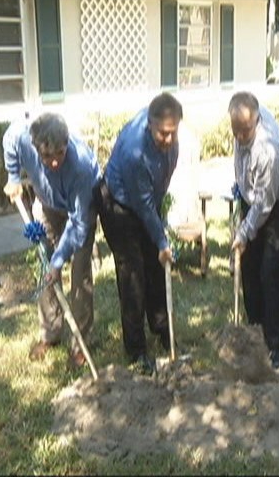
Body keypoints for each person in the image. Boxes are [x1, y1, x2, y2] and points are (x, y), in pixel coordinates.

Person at [3, 112, 100, 369]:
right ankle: (50, 333)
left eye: (60, 153)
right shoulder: (22, 137)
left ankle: (80, 344)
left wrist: (60, 260)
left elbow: (78, 224)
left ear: (67, 143)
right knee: (46, 271)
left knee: (79, 273)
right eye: (47, 156)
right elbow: (8, 140)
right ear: (35, 147)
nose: (54, 162)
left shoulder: (80, 167)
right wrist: (13, 177)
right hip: (46, 205)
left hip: (79, 210)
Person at [96, 92, 183, 374]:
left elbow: (161, 186)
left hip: (146, 201)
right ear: (149, 124)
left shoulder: (170, 140)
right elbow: (142, 204)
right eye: (163, 134)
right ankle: (136, 350)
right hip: (118, 206)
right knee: (133, 275)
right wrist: (161, 239)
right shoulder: (135, 152)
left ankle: (162, 328)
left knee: (157, 268)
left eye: (173, 133)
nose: (168, 140)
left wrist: (159, 237)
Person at [229, 91, 279, 370]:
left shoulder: (268, 150)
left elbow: (264, 203)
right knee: (248, 265)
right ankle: (254, 333)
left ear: (257, 122)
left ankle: (274, 345)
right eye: (235, 131)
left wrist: (244, 232)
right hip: (256, 198)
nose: (239, 137)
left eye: (245, 131)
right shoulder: (242, 127)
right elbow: (250, 190)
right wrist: (245, 233)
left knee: (270, 269)